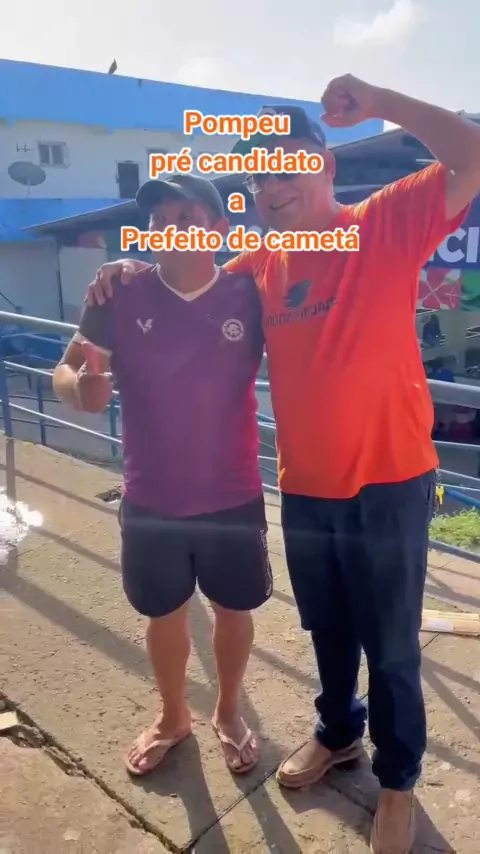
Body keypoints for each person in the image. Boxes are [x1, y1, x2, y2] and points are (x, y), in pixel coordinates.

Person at [85, 76, 480, 853]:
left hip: (392, 482)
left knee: (392, 644)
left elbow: (471, 153)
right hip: (305, 487)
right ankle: (338, 734)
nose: (270, 187)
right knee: (326, 628)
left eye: (286, 166)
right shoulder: (258, 264)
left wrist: (382, 103)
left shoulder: (382, 223)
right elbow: (186, 275)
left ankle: (397, 780)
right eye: (258, 177)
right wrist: (124, 271)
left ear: (323, 164)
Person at [53, 173, 273, 778]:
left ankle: (228, 711)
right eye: (157, 220)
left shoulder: (249, 292)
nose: (168, 229)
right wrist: (81, 389)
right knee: (164, 613)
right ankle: (174, 716)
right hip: (151, 496)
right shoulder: (118, 294)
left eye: (186, 218)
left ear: (218, 229)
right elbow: (66, 370)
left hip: (234, 492)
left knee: (234, 609)